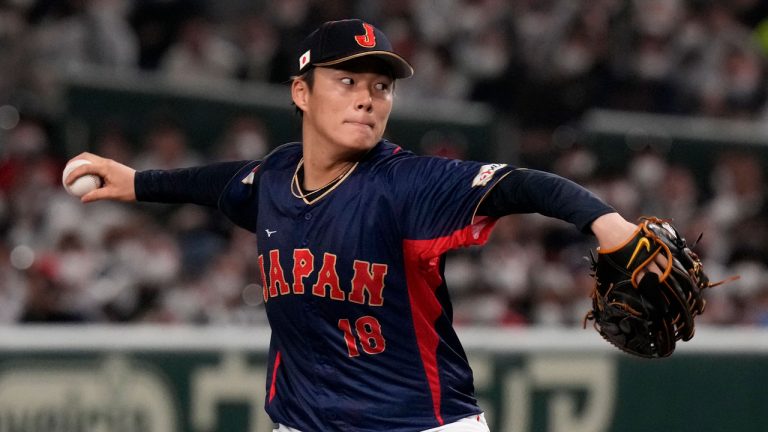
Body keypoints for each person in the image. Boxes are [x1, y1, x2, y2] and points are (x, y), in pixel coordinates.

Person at [65, 19, 640, 432]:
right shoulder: (274, 178)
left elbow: (519, 184)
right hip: (303, 423)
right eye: (347, 81)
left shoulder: (407, 183)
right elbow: (215, 182)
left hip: (419, 425)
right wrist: (138, 182)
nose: (367, 98)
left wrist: (606, 223)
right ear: (301, 92)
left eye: (380, 87)